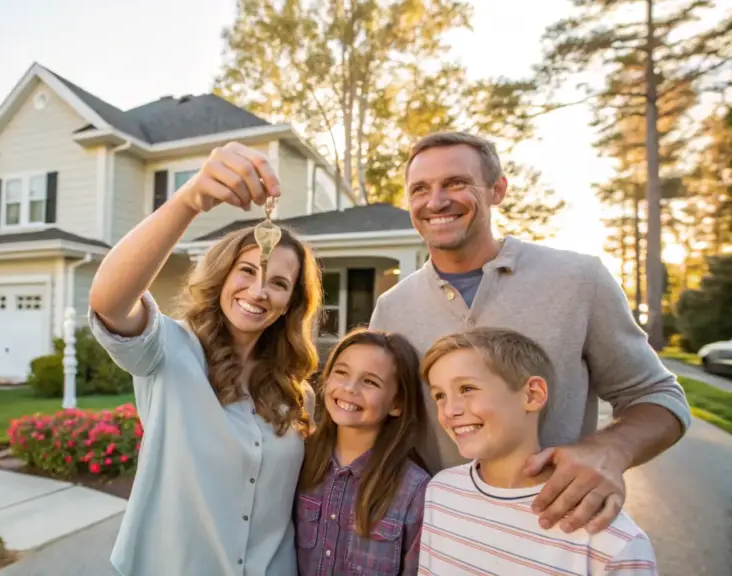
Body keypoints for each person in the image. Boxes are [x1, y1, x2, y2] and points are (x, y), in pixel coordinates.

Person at [369, 131, 691, 535]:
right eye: (420, 189)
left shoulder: (578, 279)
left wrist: (609, 450)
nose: (436, 201)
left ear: (497, 190)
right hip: (438, 536)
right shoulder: (392, 307)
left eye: (456, 183)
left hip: (556, 534)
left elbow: (658, 396)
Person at [87, 142, 323, 576]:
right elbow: (109, 302)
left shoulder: (298, 396)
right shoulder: (170, 351)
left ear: (291, 303)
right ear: (223, 277)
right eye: (247, 272)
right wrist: (190, 199)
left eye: (278, 283)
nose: (258, 292)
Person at [418, 328, 658, 575]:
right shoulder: (440, 492)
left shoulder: (611, 540)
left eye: (467, 388)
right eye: (439, 396)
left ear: (532, 395)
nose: (449, 410)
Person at [295, 328, 431, 576]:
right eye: (341, 372)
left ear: (397, 404)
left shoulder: (415, 490)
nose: (350, 388)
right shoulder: (298, 461)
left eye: (370, 381)